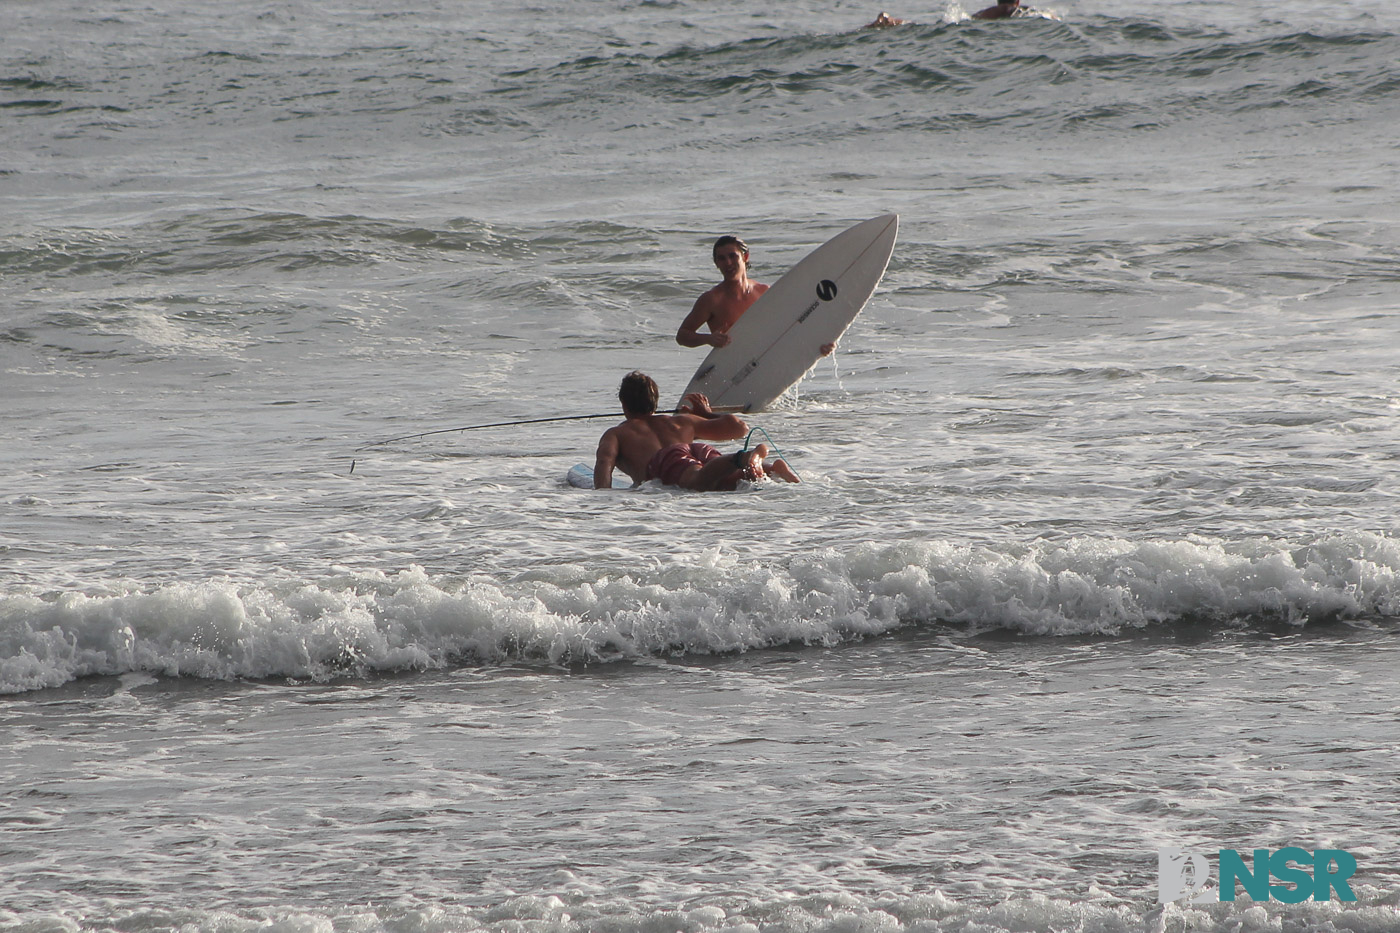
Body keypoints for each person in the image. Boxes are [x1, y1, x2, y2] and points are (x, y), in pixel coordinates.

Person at [592, 371, 800, 490]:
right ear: (654, 403)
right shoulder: (682, 421)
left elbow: (604, 463)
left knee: (697, 481)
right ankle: (770, 468)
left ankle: (743, 458)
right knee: (726, 482)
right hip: (698, 451)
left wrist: (603, 497)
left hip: (669, 461)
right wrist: (706, 414)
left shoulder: (616, 434)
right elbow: (739, 429)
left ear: (624, 404)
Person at [676, 235, 836, 357]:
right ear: (716, 263)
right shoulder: (712, 299)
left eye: (733, 256)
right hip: (731, 369)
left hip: (766, 361)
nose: (728, 263)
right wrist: (708, 339)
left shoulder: (764, 292)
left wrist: (817, 346)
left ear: (745, 257)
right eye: (722, 259)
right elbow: (682, 335)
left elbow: (788, 327)